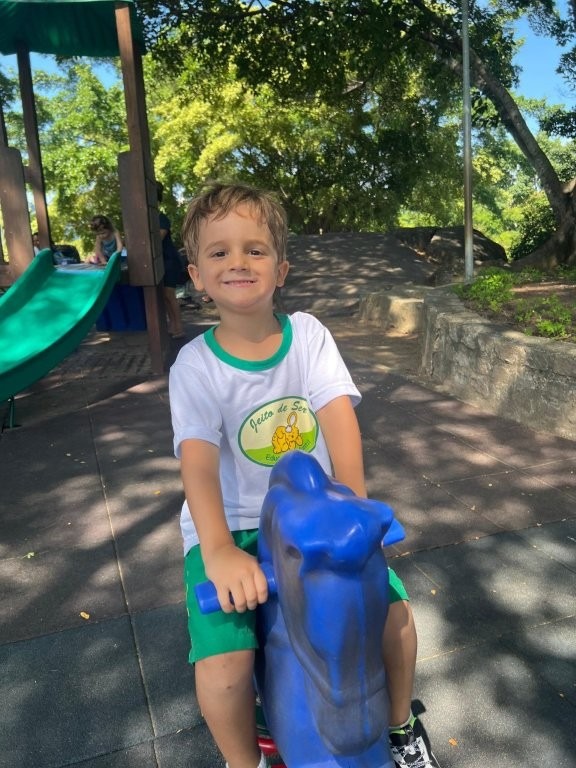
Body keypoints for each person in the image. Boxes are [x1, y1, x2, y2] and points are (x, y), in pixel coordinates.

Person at [169, 182, 434, 768]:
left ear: (281, 269)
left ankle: (399, 724)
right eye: (219, 252)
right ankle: (244, 760)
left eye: (255, 250)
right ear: (196, 275)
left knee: (393, 616)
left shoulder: (308, 336)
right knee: (225, 662)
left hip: (315, 521)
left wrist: (353, 506)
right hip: (233, 524)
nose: (238, 262)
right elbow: (199, 463)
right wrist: (218, 550)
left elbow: (338, 417)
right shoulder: (196, 365)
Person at [156, 182, 185, 339]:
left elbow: (157, 239)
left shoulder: (162, 219)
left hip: (169, 261)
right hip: (161, 261)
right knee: (165, 296)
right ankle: (173, 325)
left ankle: (179, 327)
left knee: (169, 294)